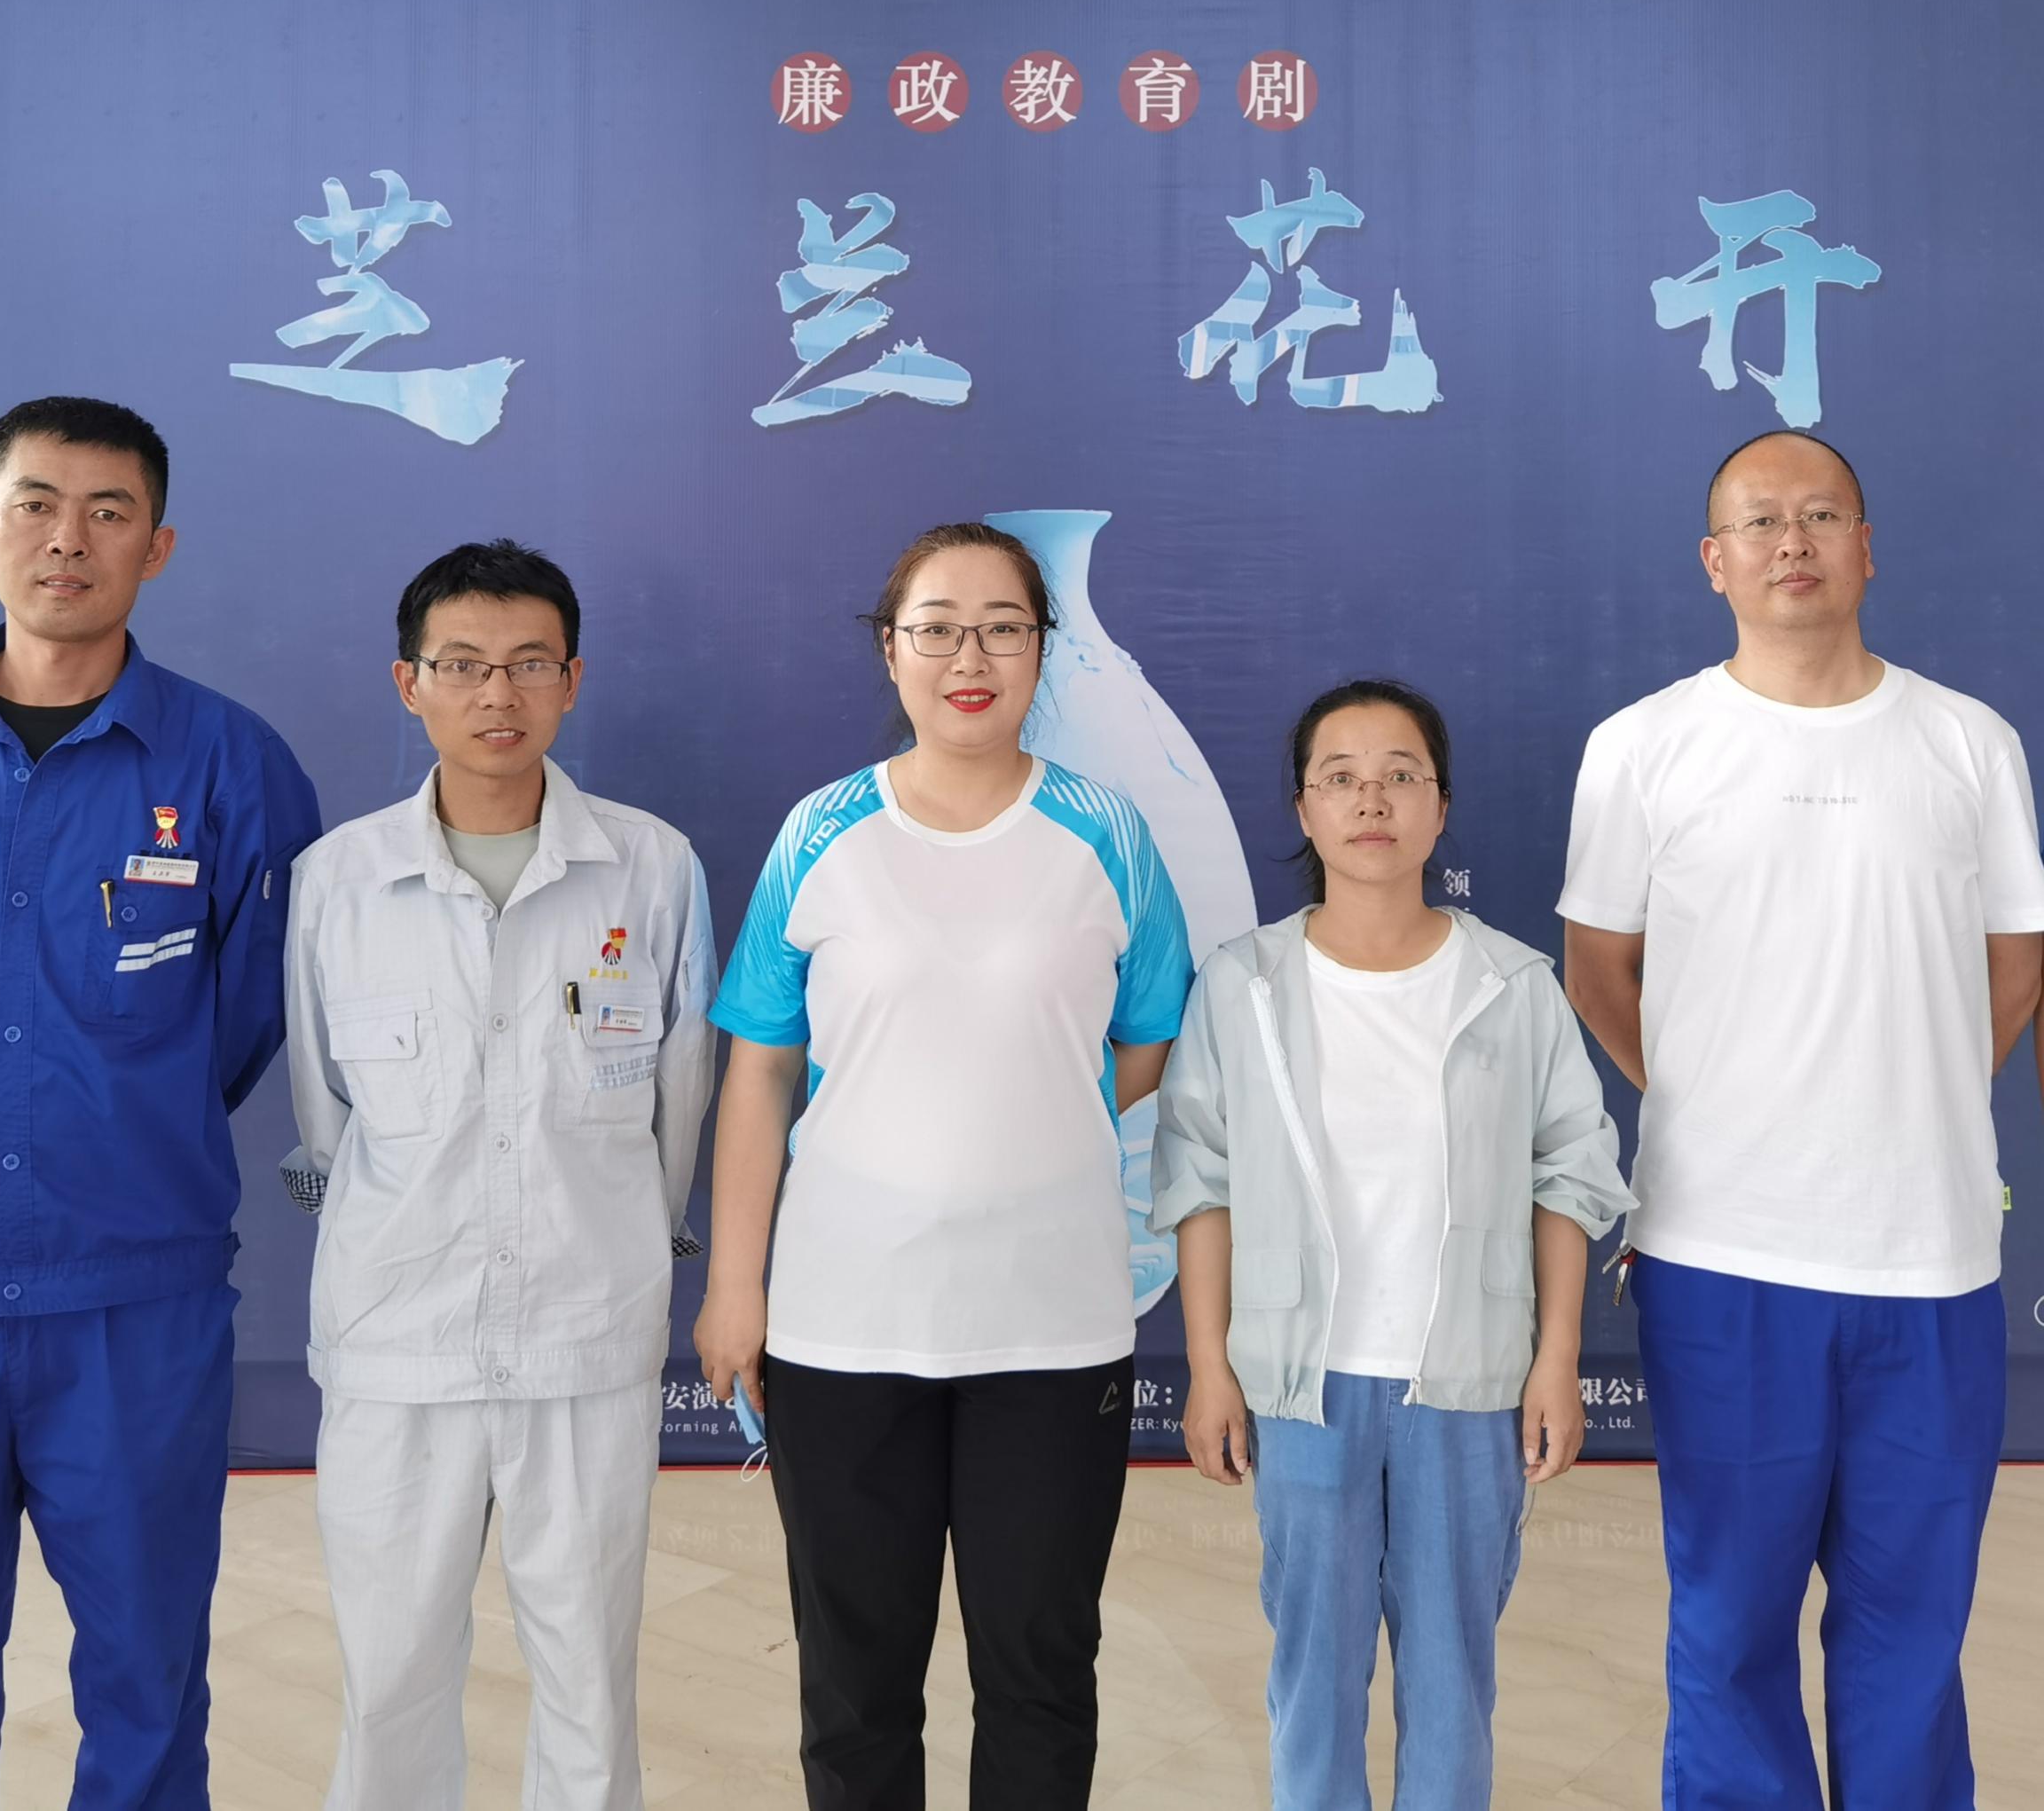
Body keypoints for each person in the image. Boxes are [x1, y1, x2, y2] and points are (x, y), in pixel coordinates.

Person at [0, 397, 322, 1809]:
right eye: (35, 505)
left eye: (108, 511)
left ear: (159, 545)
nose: (67, 539)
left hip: (133, 1292)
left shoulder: (231, 763)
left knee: (149, 1678)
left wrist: (112, 1108)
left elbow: (247, 1014)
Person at [1559, 430, 2044, 1809]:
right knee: (1728, 1627)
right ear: (1714, 561)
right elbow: (1599, 968)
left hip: (1929, 1263)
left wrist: (1916, 1084)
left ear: (1867, 548)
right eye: (1762, 520)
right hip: (1724, 1259)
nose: (1793, 541)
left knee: (1912, 1634)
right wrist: (1719, 1094)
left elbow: (2018, 960)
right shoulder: (1642, 747)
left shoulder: (1969, 742)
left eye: (1822, 515)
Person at [692, 521, 1192, 1811]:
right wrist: (735, 1286)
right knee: (855, 1686)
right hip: (845, 1326)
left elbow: (1149, 1040)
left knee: (1040, 1674)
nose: (970, 659)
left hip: (1053, 1326)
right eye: (937, 629)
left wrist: (1030, 1122)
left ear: (1042, 651)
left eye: (1002, 629)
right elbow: (758, 1073)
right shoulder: (821, 832)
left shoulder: (1107, 833)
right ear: (890, 648)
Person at [282, 540, 715, 1811]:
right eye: (463, 665)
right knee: (390, 1676)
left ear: (571, 680)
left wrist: (624, 1248)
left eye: (529, 664)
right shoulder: (338, 881)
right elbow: (324, 1121)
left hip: (587, 1339)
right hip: (394, 1345)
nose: (497, 694)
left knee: (589, 1676)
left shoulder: (652, 868)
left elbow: (679, 1103)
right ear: (408, 682)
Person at [1152, 679, 1630, 1810]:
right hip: (1300, 1384)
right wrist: (1209, 1364)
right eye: (1341, 778)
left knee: (1453, 1677)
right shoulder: (1243, 984)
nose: (1372, 800)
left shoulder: (1511, 985)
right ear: (1305, 810)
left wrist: (1556, 1358)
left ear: (1440, 805)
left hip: (1465, 1384)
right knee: (1311, 1674)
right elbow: (1199, 1180)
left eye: (1400, 775)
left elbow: (1569, 1175)